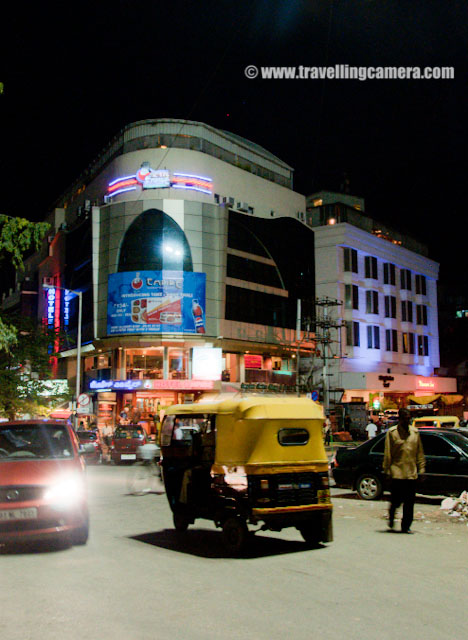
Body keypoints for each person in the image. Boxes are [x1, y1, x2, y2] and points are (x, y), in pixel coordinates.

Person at [383, 407, 425, 534]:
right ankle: (391, 516)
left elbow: (419, 453)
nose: (408, 421)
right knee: (396, 501)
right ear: (400, 419)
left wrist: (421, 469)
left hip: (411, 474)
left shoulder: (415, 433)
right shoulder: (392, 433)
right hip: (397, 473)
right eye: (405, 419)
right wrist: (387, 471)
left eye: (409, 419)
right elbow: (388, 453)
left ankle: (406, 526)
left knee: (409, 502)